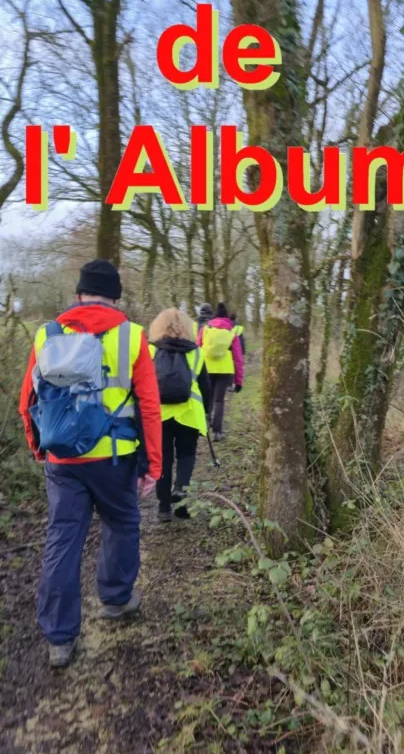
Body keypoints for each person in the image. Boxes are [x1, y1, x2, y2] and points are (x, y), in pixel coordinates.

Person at [19, 259, 162, 669]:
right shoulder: (132, 336)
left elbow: (27, 401)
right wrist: (153, 465)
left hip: (63, 457)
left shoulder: (47, 334)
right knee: (122, 523)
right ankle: (115, 599)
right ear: (114, 296)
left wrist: (39, 447)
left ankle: (59, 639)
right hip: (114, 457)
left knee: (63, 539)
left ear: (79, 293)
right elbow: (149, 406)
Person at [149, 308, 210, 522]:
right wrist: (207, 413)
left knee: (163, 459)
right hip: (189, 413)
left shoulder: (150, 351)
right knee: (186, 455)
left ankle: (163, 508)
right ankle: (181, 496)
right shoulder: (196, 352)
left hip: (159, 415)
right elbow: (205, 387)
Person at [197, 302, 244, 440]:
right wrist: (238, 380)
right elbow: (238, 358)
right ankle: (217, 432)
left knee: (207, 397)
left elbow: (196, 349)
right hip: (225, 370)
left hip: (206, 368)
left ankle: (204, 426)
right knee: (219, 400)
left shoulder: (205, 330)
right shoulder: (232, 332)